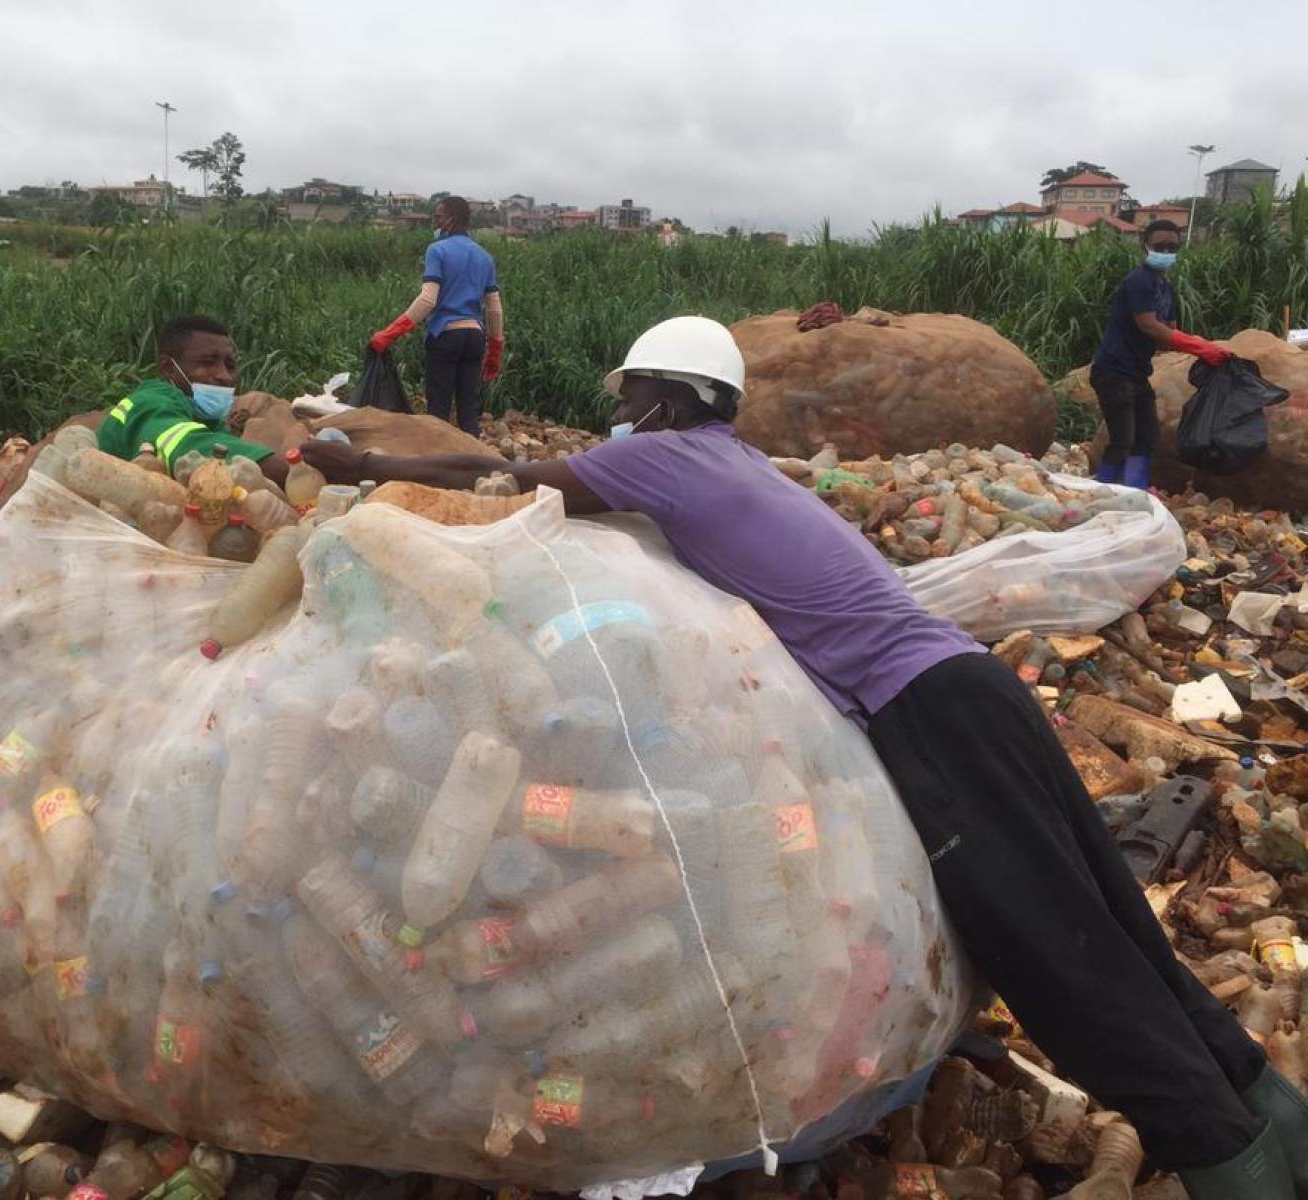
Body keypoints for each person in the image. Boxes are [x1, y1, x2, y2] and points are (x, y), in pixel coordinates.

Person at [301, 316, 1304, 1199]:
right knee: (1113, 925)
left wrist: (362, 467)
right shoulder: (732, 462)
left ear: (665, 401)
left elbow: (500, 485)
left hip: (928, 712)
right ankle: (1271, 1112)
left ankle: (1228, 1159)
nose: (622, 416)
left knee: (1055, 962)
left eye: (630, 397)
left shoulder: (663, 458)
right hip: (977, 687)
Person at [1091, 219, 1230, 489]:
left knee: (1146, 437)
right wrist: (1198, 347)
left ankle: (1135, 490)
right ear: (1145, 245)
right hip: (1113, 371)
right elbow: (1149, 325)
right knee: (1123, 439)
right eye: (1160, 246)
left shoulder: (1165, 287)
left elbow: (1169, 331)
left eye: (1172, 247)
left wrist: (1202, 345)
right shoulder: (1138, 282)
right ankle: (1102, 492)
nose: (1166, 252)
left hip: (1137, 373)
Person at [367, 196, 504, 437]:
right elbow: (494, 308)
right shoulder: (484, 256)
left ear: (451, 219)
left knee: (438, 411)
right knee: (468, 411)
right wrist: (495, 349)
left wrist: (390, 333)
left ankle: (438, 457)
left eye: (438, 216)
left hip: (445, 335)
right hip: (474, 337)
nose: (435, 222)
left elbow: (427, 300)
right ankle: (472, 456)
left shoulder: (437, 250)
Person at [98, 315, 287, 484]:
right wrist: (290, 469)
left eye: (230, 366)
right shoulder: (149, 403)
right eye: (208, 363)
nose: (224, 376)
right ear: (167, 368)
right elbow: (187, 448)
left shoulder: (207, 420)